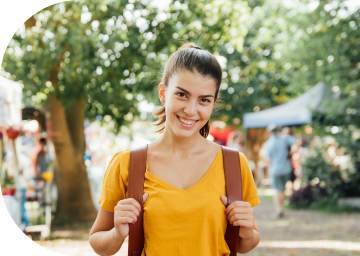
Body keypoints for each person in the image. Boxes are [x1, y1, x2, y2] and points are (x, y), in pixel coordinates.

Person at [89, 43, 260, 255]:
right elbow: (98, 242)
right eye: (181, 95)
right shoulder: (127, 165)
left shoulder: (234, 164)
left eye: (204, 100)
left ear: (214, 103)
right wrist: (117, 233)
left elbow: (246, 243)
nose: (190, 110)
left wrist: (247, 232)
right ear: (163, 92)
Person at [261, 124, 296, 219]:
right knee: (283, 190)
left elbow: (267, 158)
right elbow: (295, 144)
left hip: (275, 169)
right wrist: (290, 154)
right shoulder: (285, 139)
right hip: (286, 168)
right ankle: (282, 209)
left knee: (277, 190)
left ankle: (278, 210)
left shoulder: (269, 143)